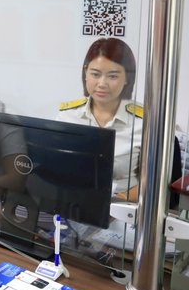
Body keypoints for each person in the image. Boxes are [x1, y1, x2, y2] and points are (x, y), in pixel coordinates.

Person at [57, 38, 142, 199]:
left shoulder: (144, 123)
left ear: (127, 78)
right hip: (73, 203)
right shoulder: (67, 116)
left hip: (122, 206)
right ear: (86, 73)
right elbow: (57, 169)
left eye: (113, 76)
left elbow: (151, 182)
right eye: (95, 74)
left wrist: (115, 202)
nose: (102, 83)